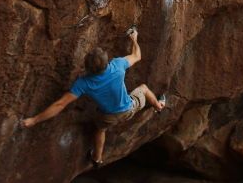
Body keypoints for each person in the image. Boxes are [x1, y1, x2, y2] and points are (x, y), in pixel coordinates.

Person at [22, 28, 165, 167]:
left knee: (101, 130)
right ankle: (158, 106)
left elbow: (59, 105)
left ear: (87, 68)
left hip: (108, 116)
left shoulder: (83, 83)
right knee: (144, 89)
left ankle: (97, 158)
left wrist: (34, 120)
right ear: (106, 61)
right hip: (128, 108)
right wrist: (134, 39)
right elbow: (137, 56)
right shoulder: (117, 66)